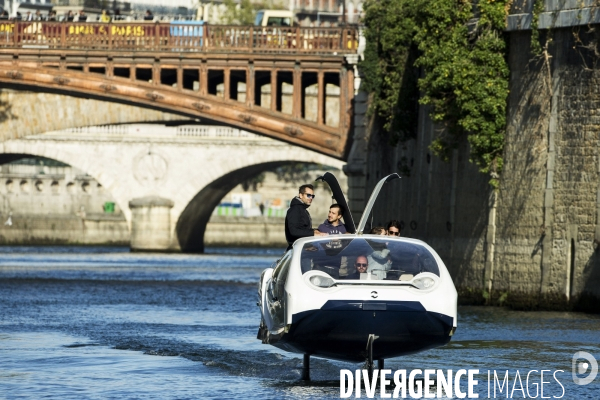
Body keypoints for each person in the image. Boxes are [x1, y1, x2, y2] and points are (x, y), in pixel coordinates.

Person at [284, 184, 325, 250]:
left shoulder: (302, 210)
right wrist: (313, 233)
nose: (311, 198)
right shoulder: (295, 210)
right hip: (296, 249)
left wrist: (315, 231)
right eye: (308, 195)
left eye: (312, 196)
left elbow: (303, 228)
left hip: (302, 248)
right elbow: (294, 231)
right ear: (301, 195)